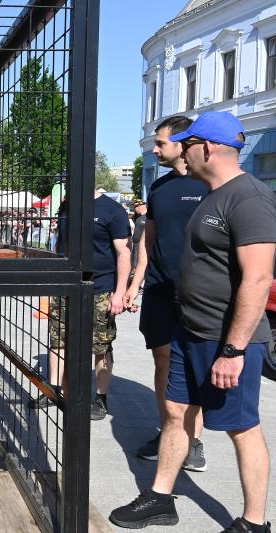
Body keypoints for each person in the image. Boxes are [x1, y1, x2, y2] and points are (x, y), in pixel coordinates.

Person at [110, 112, 275, 532]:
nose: (182, 152)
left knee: (242, 428)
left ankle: (254, 522)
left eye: (187, 144)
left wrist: (233, 350)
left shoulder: (249, 198)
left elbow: (258, 278)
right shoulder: (211, 194)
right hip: (189, 328)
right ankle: (160, 498)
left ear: (209, 147)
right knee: (176, 411)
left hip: (225, 338)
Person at [122, 116, 210, 472]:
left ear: (182, 143)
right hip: (159, 289)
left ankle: (194, 440)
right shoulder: (158, 188)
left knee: (193, 364)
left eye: (161, 143)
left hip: (198, 294)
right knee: (163, 361)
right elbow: (149, 241)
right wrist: (135, 283)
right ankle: (169, 433)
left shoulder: (209, 183)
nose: (155, 149)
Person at [30, 188, 132, 421]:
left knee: (101, 345)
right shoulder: (67, 206)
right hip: (66, 286)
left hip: (100, 288)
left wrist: (120, 292)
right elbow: (61, 244)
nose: (67, 185)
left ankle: (100, 398)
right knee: (58, 338)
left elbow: (124, 253)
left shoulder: (113, 210)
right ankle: (54, 389)